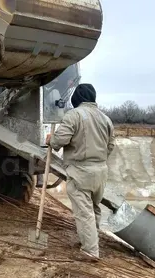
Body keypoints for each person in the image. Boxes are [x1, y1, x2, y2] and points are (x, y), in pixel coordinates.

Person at [45, 83, 115, 260]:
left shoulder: (74, 115)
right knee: (94, 208)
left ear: (76, 98)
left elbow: (60, 140)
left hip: (80, 172)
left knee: (84, 214)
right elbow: (111, 145)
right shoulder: (105, 118)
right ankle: (91, 241)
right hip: (100, 171)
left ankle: (90, 251)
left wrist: (51, 140)